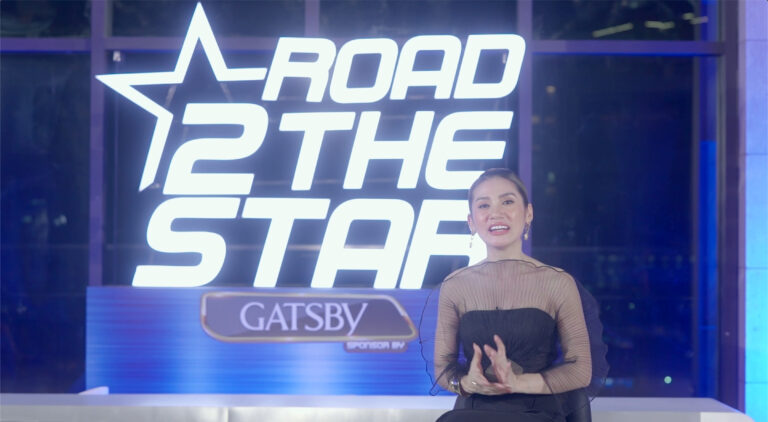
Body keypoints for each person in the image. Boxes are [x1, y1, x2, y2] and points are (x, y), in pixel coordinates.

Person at [432, 168, 605, 422]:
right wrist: (467, 383)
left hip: (538, 409)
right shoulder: (455, 286)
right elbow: (442, 367)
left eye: (507, 202)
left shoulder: (557, 282)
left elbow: (581, 369)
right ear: (471, 222)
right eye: (484, 205)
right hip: (476, 410)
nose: (496, 213)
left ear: (528, 213)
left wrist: (517, 382)